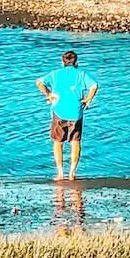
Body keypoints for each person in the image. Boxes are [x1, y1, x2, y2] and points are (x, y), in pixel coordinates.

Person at [36, 51, 99, 181]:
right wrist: (88, 99)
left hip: (58, 111)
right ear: (76, 62)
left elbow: (39, 82)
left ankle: (60, 173)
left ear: (62, 62)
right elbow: (94, 86)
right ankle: (72, 173)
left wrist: (48, 94)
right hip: (76, 112)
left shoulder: (55, 74)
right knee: (75, 141)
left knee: (58, 142)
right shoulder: (81, 74)